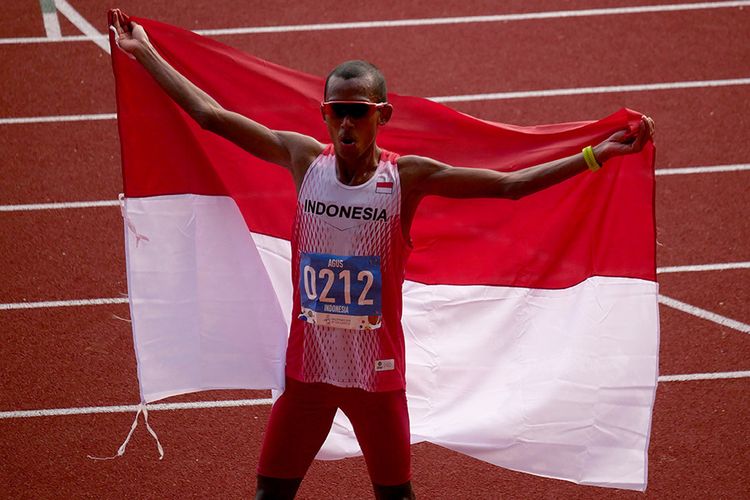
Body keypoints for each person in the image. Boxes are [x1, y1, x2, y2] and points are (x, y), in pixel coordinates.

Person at [109, 9, 654, 500]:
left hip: (378, 379)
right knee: (269, 495)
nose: (346, 124)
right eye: (336, 112)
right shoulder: (303, 160)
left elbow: (508, 186)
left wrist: (594, 155)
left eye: (359, 112)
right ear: (323, 114)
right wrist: (146, 52)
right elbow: (210, 117)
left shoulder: (406, 177)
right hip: (308, 377)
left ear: (382, 115)